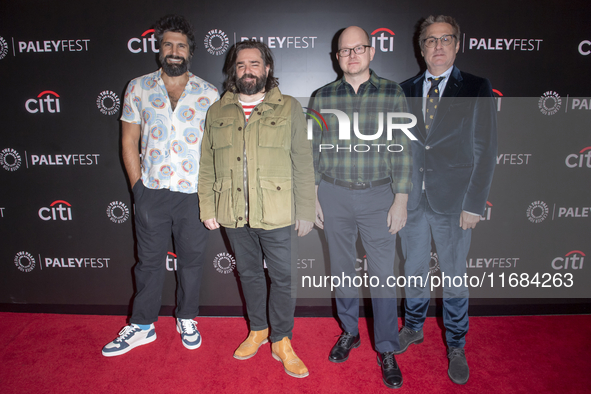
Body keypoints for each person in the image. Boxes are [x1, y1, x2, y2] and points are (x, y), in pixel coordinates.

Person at [102, 15, 219, 357]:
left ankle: (187, 317)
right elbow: (128, 140)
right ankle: (142, 325)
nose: (174, 50)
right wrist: (138, 188)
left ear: (190, 52)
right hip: (151, 190)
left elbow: (214, 148)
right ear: (158, 48)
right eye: (168, 44)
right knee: (149, 261)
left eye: (181, 45)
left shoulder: (209, 93)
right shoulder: (138, 87)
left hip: (193, 194)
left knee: (192, 261)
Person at [198, 39, 315, 378]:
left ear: (267, 69)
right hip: (232, 212)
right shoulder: (217, 110)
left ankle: (281, 339)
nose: (247, 70)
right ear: (233, 71)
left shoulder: (289, 107)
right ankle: (259, 330)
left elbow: (303, 162)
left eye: (254, 64)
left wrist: (306, 209)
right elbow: (206, 164)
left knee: (281, 278)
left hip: (276, 211)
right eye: (240, 65)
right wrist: (208, 205)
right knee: (249, 274)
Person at [396, 15, 497, 385]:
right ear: (420, 48)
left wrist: (474, 203)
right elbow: (400, 150)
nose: (437, 47)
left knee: (454, 276)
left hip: (455, 203)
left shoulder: (475, 86)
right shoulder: (403, 88)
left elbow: (486, 150)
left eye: (445, 39)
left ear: (458, 44)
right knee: (414, 269)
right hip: (413, 202)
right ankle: (414, 327)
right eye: (430, 41)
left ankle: (456, 343)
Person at [311, 26, 413, 389]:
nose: (352, 55)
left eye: (359, 49)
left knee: (383, 276)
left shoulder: (392, 92)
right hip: (334, 195)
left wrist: (401, 199)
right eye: (344, 50)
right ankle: (349, 332)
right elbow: (313, 151)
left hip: (378, 197)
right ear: (336, 57)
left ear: (371, 52)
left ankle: (386, 346)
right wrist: (312, 197)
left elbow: (402, 149)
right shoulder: (322, 97)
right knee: (341, 270)